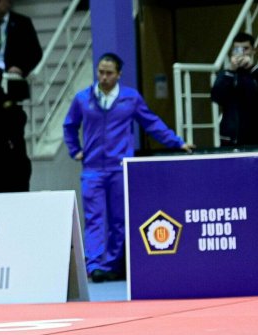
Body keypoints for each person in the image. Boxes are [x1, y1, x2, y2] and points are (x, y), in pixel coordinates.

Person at [63, 53, 194, 283]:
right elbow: (69, 125)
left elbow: (151, 123)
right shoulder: (83, 98)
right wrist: (75, 150)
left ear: (119, 74)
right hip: (92, 169)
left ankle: (112, 264)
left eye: (109, 73)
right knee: (94, 218)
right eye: (100, 72)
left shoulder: (130, 98)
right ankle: (94, 265)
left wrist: (177, 142)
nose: (103, 77)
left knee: (119, 220)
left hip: (120, 167)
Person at [210, 32, 258, 148]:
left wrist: (252, 68)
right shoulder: (227, 74)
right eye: (237, 49)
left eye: (245, 49)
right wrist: (231, 70)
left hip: (255, 137)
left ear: (253, 51)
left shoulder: (256, 73)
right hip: (231, 137)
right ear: (232, 51)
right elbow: (216, 97)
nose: (241, 53)